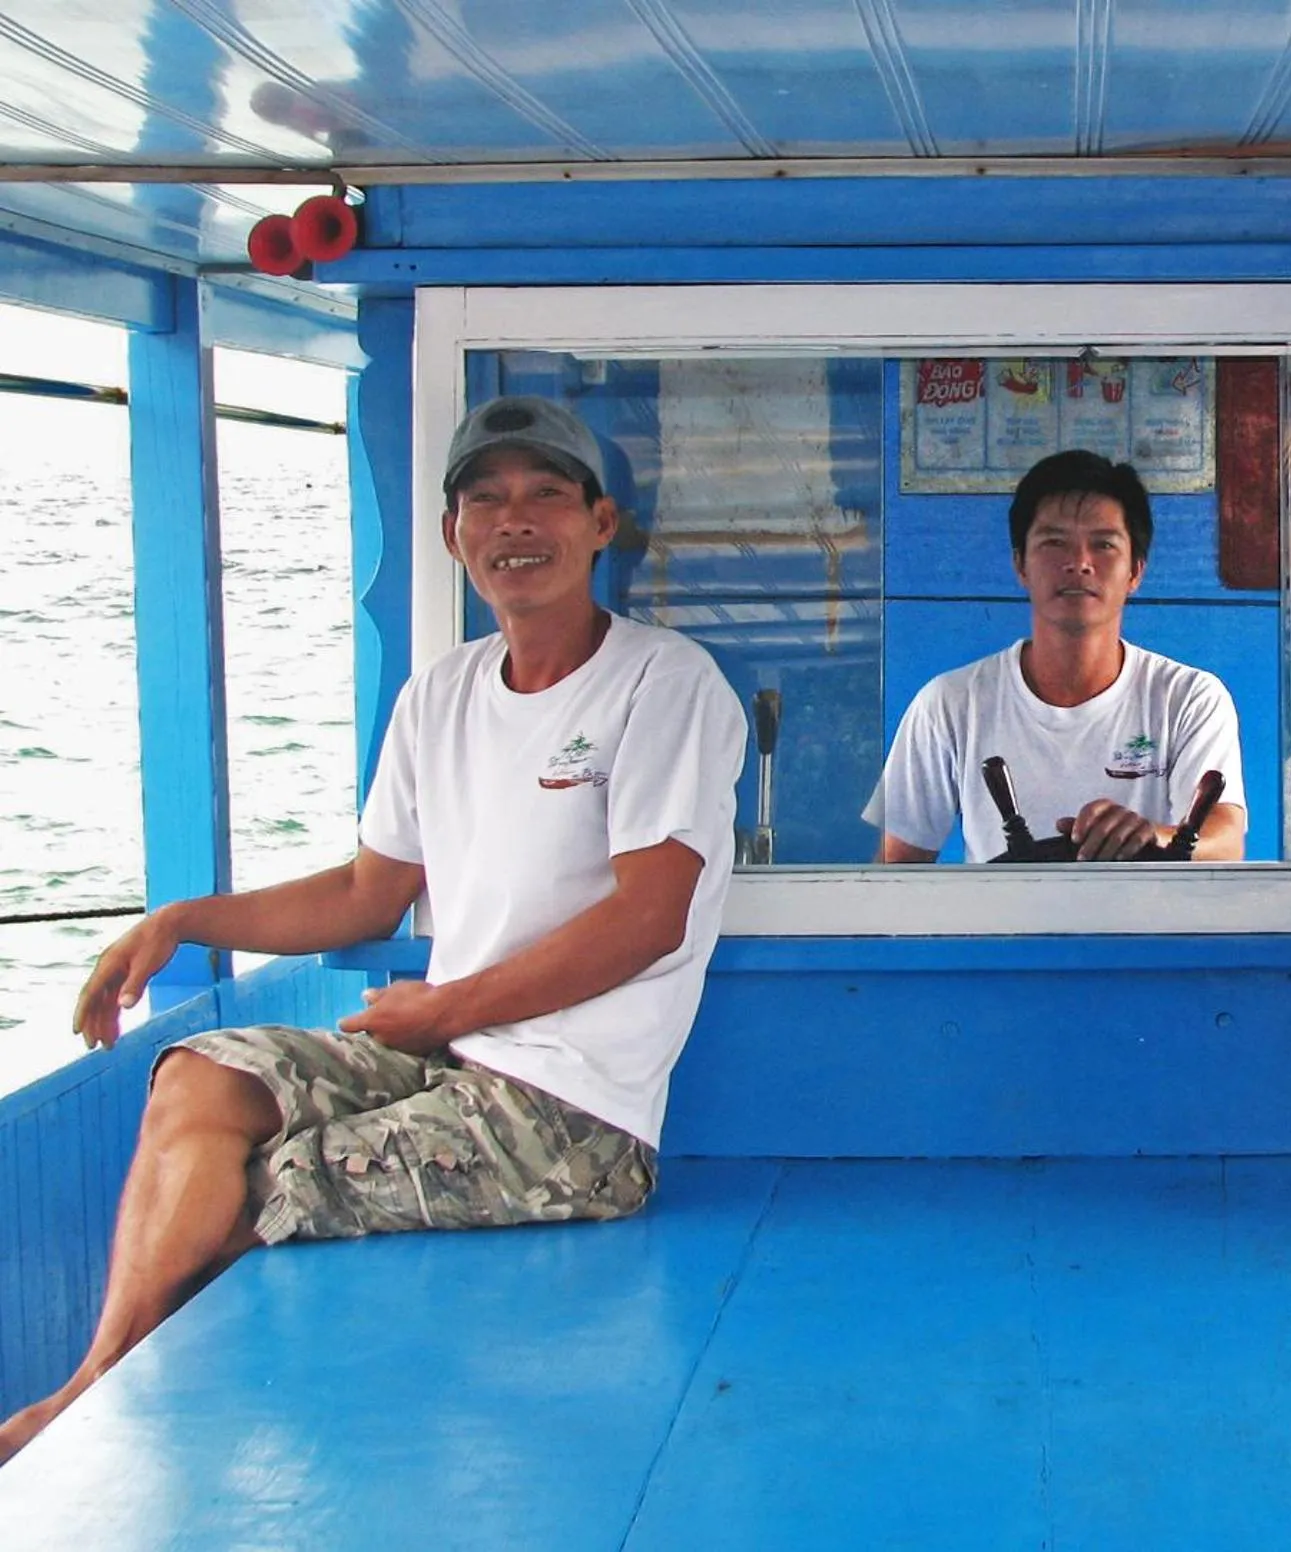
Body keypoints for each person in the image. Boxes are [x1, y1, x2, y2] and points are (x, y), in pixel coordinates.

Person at [0, 396, 747, 1461]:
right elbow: (366, 892)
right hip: (448, 1058)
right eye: (485, 499)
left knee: (266, 1184)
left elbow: (649, 917)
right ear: (452, 533)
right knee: (199, 1077)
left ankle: (100, 1418)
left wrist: (441, 1009)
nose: (515, 520)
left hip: (576, 1116)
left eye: (546, 494)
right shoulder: (439, 692)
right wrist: (181, 920)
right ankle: (94, 1391)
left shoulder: (663, 682)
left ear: (600, 523)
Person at [867, 449, 1246, 862]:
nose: (1079, 563)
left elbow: (1225, 844)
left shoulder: (1189, 698)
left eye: (1103, 544)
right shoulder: (950, 704)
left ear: (1135, 571)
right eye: (1054, 542)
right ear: (1020, 565)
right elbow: (895, 871)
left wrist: (1150, 836)